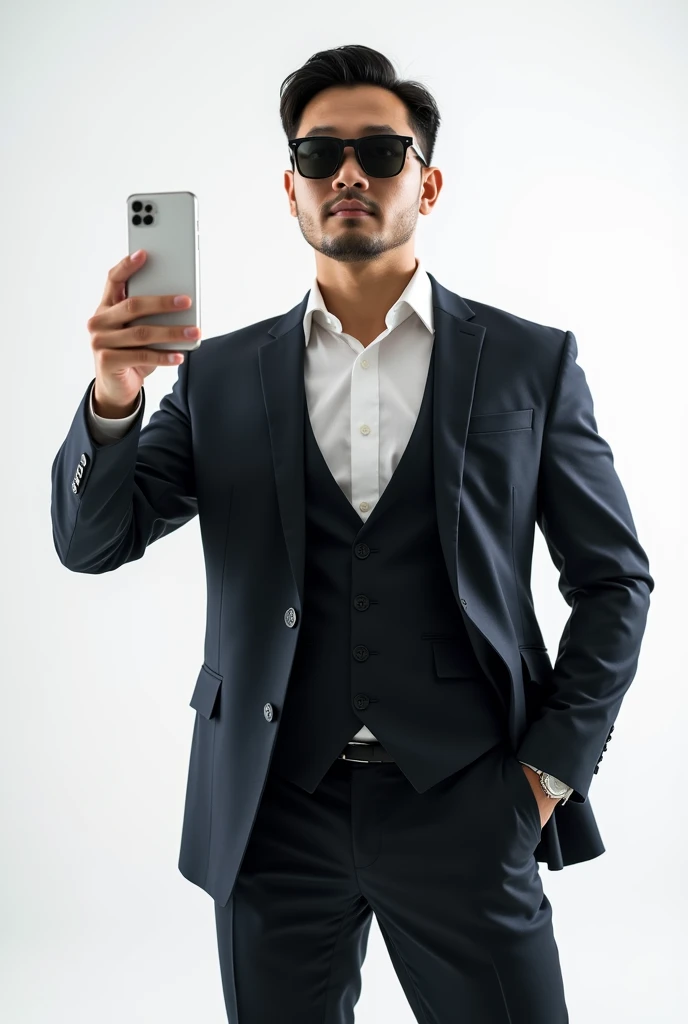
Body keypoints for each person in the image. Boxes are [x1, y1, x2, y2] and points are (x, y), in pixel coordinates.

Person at [51, 43, 654, 1024]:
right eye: (319, 153)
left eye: (380, 151)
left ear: (428, 180)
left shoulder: (527, 364)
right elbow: (92, 539)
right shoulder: (216, 377)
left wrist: (547, 772)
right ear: (288, 187)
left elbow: (614, 581)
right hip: (271, 807)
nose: (348, 174)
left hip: (468, 800)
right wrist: (117, 397)